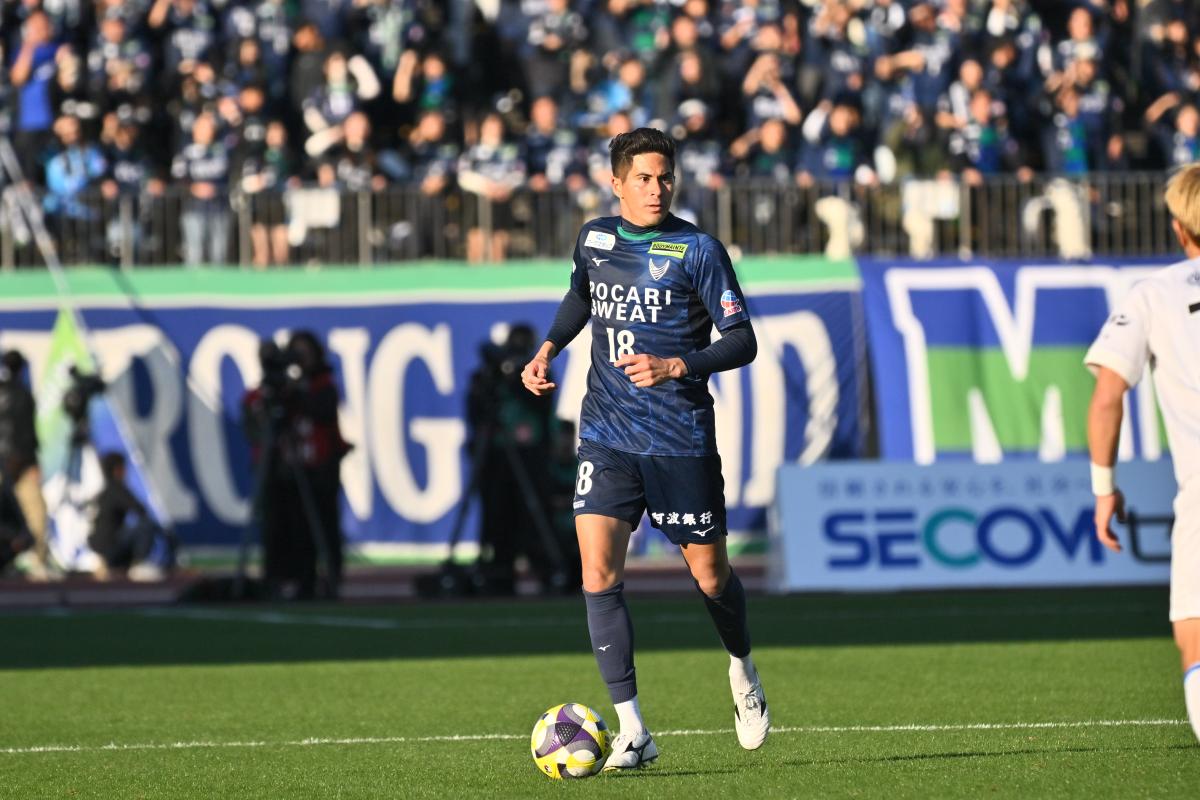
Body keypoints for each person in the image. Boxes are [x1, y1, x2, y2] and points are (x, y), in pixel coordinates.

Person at [521, 127, 768, 770]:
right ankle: (633, 729)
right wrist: (549, 348)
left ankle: (742, 667)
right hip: (607, 433)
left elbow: (742, 340)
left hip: (679, 439)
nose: (657, 189)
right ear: (617, 183)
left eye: (665, 178)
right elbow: (580, 296)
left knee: (711, 577)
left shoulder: (698, 250)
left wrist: (678, 365)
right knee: (597, 573)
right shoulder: (595, 239)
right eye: (644, 179)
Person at [1085, 162, 1200, 745]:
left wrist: (1104, 489)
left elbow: (1108, 397)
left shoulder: (1156, 293)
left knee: (1195, 639)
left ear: (1180, 228)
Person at [0, 350, 48, 580]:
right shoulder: (23, 393)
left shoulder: (19, 393)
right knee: (35, 512)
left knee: (36, 511)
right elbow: (28, 432)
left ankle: (34, 560)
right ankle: (35, 560)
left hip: (15, 462)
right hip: (18, 462)